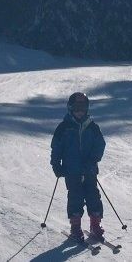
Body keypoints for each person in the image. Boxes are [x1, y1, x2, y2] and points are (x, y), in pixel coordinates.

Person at [50, 92, 106, 242]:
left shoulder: (92, 127)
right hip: (71, 170)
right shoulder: (63, 128)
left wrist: (93, 159)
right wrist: (56, 164)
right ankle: (75, 227)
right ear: (70, 108)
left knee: (93, 195)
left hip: (89, 170)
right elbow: (56, 147)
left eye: (83, 107)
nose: (79, 110)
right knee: (75, 197)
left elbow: (100, 145)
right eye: (76, 107)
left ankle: (95, 224)